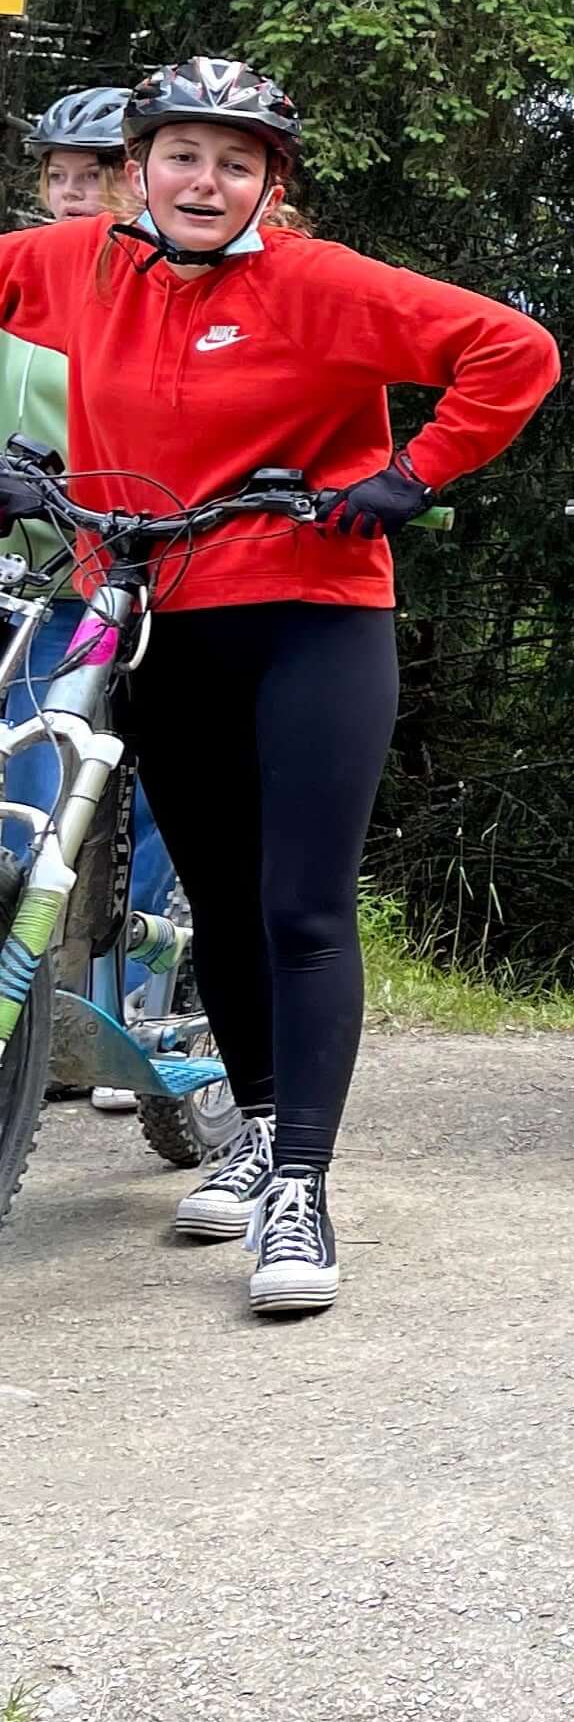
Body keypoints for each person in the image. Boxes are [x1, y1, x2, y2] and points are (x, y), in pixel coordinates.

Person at [0, 58, 559, 1315]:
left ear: (271, 185)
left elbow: (513, 351)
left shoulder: (317, 283)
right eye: (185, 157)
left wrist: (409, 477)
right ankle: (257, 1128)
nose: (208, 182)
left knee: (301, 904)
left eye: (237, 163)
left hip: (311, 612)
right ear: (136, 168)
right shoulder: (80, 261)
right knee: (218, 898)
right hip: (155, 613)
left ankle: (301, 1185)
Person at [4, 87, 179, 1109]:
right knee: (21, 788)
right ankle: (29, 1015)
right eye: (57, 179)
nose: (72, 197)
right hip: (23, 573)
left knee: (143, 794)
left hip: (120, 578)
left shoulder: (150, 287)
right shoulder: (24, 286)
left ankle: (138, 994)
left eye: (96, 178)